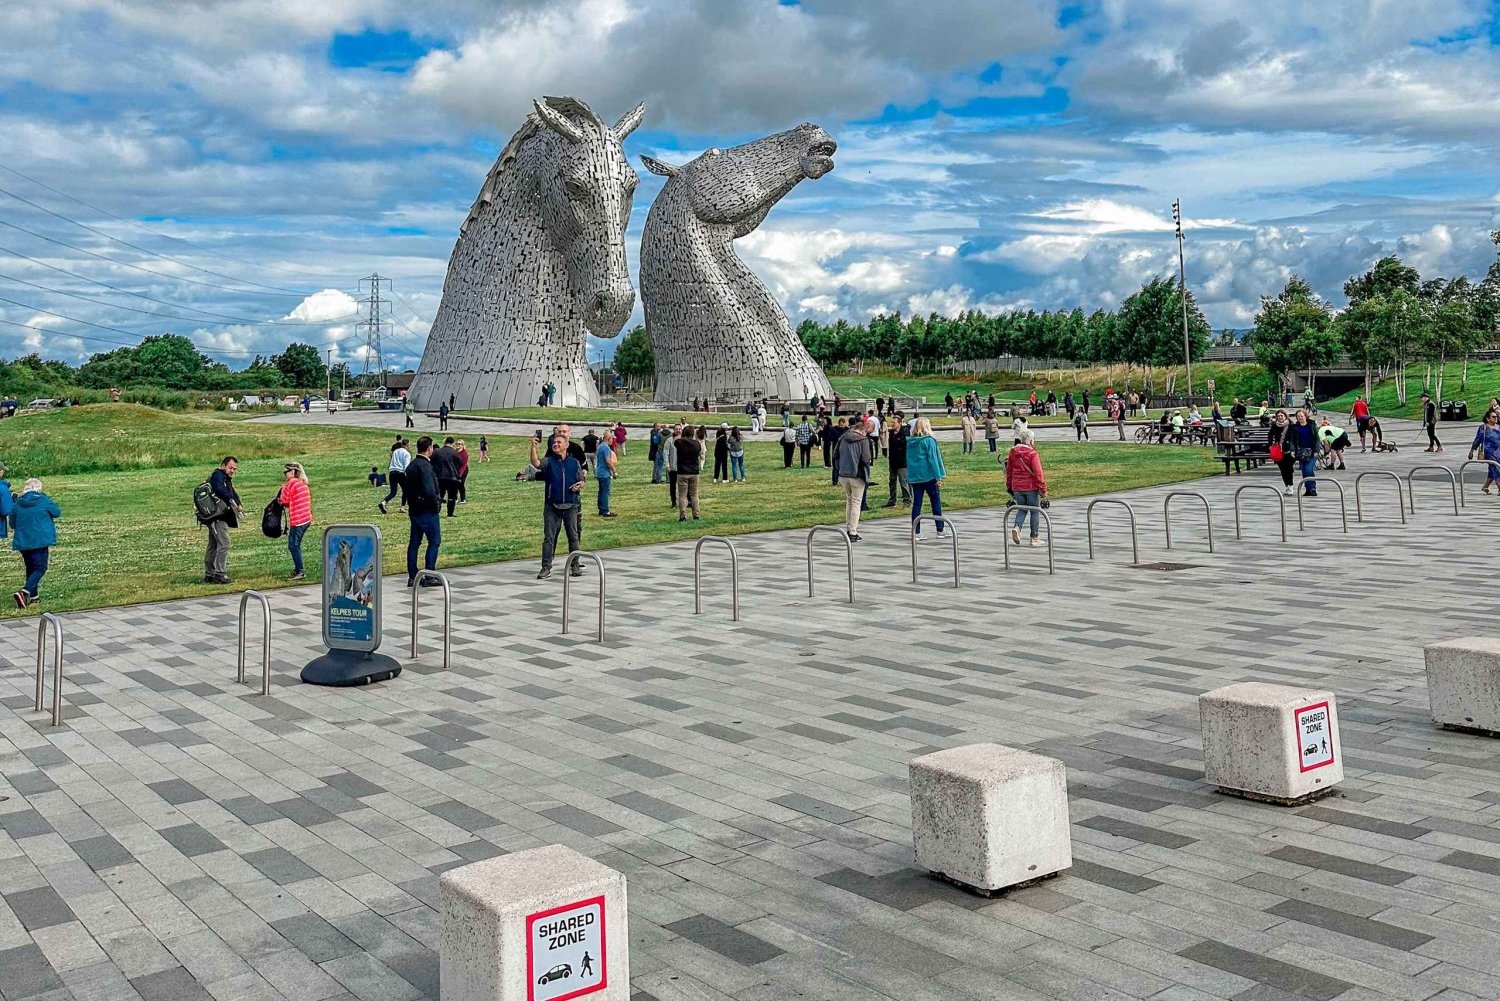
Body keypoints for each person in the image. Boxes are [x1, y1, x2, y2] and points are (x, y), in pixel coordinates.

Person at [527, 432, 585, 579]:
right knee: (549, 537)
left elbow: (581, 479)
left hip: (570, 505)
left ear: (566, 445)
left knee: (573, 536)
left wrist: (580, 485)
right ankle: (546, 567)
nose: (555, 444)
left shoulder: (574, 462)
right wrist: (533, 447)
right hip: (552, 506)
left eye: (559, 442)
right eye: (554, 442)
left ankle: (575, 564)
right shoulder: (549, 461)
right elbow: (536, 463)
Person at [10, 478, 59, 609]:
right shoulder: (43, 500)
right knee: (40, 568)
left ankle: (34, 598)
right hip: (40, 540)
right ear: (39, 488)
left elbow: (12, 524)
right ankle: (24, 592)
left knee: (30, 568)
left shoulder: (17, 503)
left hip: (23, 541)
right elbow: (56, 512)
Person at [404, 436, 442, 586]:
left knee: (414, 543)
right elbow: (430, 490)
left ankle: (413, 575)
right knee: (434, 541)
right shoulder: (425, 466)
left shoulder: (412, 466)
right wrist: (436, 504)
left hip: (414, 509)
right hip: (427, 510)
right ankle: (429, 575)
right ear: (429, 448)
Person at [202, 456, 242, 585]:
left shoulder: (225, 478)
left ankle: (210, 574)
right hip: (217, 517)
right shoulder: (218, 476)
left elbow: (232, 492)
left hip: (217, 516)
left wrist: (238, 503)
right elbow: (221, 490)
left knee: (214, 544)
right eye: (230, 468)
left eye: (234, 469)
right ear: (223, 465)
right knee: (224, 543)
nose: (232, 471)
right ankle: (219, 574)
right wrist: (232, 500)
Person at [903, 417, 945, 537]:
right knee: (935, 502)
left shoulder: (910, 442)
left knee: (917, 504)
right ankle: (940, 529)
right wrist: (938, 477)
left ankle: (916, 532)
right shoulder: (929, 441)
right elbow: (933, 459)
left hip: (915, 477)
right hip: (928, 476)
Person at [1005, 430, 1046, 547]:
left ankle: (1017, 527)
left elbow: (1009, 471)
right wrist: (1043, 488)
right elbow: (1038, 473)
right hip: (1030, 486)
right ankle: (1034, 537)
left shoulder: (1013, 452)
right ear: (1031, 440)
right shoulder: (1032, 454)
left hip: (1017, 486)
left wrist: (1009, 486)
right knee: (1035, 510)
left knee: (1022, 509)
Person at [832, 418, 870, 541]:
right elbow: (866, 458)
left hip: (843, 473)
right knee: (856, 502)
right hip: (857, 474)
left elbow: (835, 454)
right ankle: (852, 530)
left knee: (849, 501)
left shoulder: (843, 438)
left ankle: (849, 527)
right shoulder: (863, 440)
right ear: (862, 431)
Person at [279, 462, 312, 580]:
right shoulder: (302, 482)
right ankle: (298, 569)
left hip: (298, 520)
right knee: (295, 544)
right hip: (306, 518)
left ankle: (300, 571)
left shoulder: (291, 483)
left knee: (293, 545)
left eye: (286, 472)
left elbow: (284, 500)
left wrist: (283, 489)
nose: (284, 474)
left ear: (292, 472)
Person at [1285, 410, 1320, 496]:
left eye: (1302, 416)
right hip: (1301, 451)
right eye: (1298, 416)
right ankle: (1308, 489)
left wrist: (1316, 450)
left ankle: (1312, 488)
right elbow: (1292, 440)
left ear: (1305, 416)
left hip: (1312, 451)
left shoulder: (1311, 425)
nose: (1300, 418)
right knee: (1304, 471)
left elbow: (1317, 438)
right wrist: (1292, 450)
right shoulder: (1295, 427)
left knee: (1309, 469)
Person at [675, 424, 703, 520]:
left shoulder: (679, 442)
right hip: (694, 471)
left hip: (682, 471)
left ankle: (683, 514)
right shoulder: (696, 444)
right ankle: (696, 514)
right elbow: (699, 452)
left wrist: (680, 435)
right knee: (694, 494)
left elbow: (676, 440)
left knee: (682, 494)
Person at [1468, 409, 1500, 493]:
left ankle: (1485, 486)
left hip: (1499, 451)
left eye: (1496, 417)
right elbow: (1478, 439)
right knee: (1496, 468)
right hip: (1489, 452)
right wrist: (1472, 450)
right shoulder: (1484, 427)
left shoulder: (1499, 427)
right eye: (1493, 417)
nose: (1496, 418)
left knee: (1492, 469)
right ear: (1488, 418)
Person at [432, 436, 462, 517]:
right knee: (452, 497)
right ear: (452, 443)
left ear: (444, 442)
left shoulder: (437, 451)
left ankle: (436, 512)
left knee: (439, 496)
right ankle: (450, 513)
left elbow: (432, 461)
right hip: (452, 477)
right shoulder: (455, 453)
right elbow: (460, 463)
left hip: (440, 477)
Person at [1269, 410, 1296, 495]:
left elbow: (1294, 437)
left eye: (1282, 415)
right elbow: (1270, 435)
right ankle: (1287, 486)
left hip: (1288, 450)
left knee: (1288, 469)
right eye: (1278, 416)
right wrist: (1271, 444)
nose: (1280, 417)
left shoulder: (1291, 425)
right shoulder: (1274, 426)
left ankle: (1291, 486)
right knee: (1282, 469)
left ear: (1285, 416)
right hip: (1278, 450)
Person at [594, 430, 617, 516]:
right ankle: (605, 510)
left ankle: (601, 508)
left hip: (599, 472)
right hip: (604, 473)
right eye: (612, 439)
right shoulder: (606, 448)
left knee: (601, 491)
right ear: (609, 439)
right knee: (605, 492)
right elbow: (608, 461)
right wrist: (614, 471)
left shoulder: (600, 446)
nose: (612, 441)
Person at [663, 424, 680, 506]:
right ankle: (673, 502)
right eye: (676, 429)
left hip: (682, 467)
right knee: (672, 485)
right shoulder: (669, 440)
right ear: (674, 430)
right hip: (673, 467)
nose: (678, 431)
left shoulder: (684, 439)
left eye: (679, 429)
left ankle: (687, 501)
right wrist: (667, 465)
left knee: (684, 485)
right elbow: (665, 453)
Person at [455, 439, 471, 503]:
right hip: (456, 469)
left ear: (462, 445)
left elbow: (464, 465)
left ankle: (463, 499)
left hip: (463, 470)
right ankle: (455, 498)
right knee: (455, 484)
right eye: (457, 444)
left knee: (461, 484)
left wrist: (460, 474)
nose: (457, 445)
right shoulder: (455, 452)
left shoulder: (464, 453)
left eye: (459, 444)